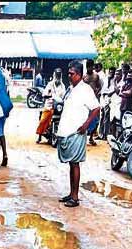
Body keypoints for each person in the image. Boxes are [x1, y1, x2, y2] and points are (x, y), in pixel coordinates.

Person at [56, 61, 99, 208]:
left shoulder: (85, 90)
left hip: (77, 132)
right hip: (67, 131)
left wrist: (86, 125)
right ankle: (71, 193)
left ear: (79, 74)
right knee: (71, 164)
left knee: (75, 164)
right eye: (68, 73)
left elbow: (96, 108)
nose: (69, 76)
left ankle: (75, 197)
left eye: (72, 74)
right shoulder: (71, 89)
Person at [36, 69, 66, 144]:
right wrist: (47, 95)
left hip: (59, 106)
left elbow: (64, 96)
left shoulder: (63, 86)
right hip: (49, 104)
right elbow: (44, 94)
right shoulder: (50, 84)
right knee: (43, 120)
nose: (58, 77)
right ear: (54, 75)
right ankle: (40, 135)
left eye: (59, 75)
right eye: (57, 75)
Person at [83, 60, 102, 145]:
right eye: (89, 67)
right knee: (85, 118)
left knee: (96, 119)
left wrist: (95, 93)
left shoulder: (96, 76)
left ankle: (91, 137)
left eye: (91, 67)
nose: (90, 68)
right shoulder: (84, 77)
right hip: (86, 100)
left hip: (94, 100)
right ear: (87, 67)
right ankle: (83, 137)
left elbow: (99, 87)